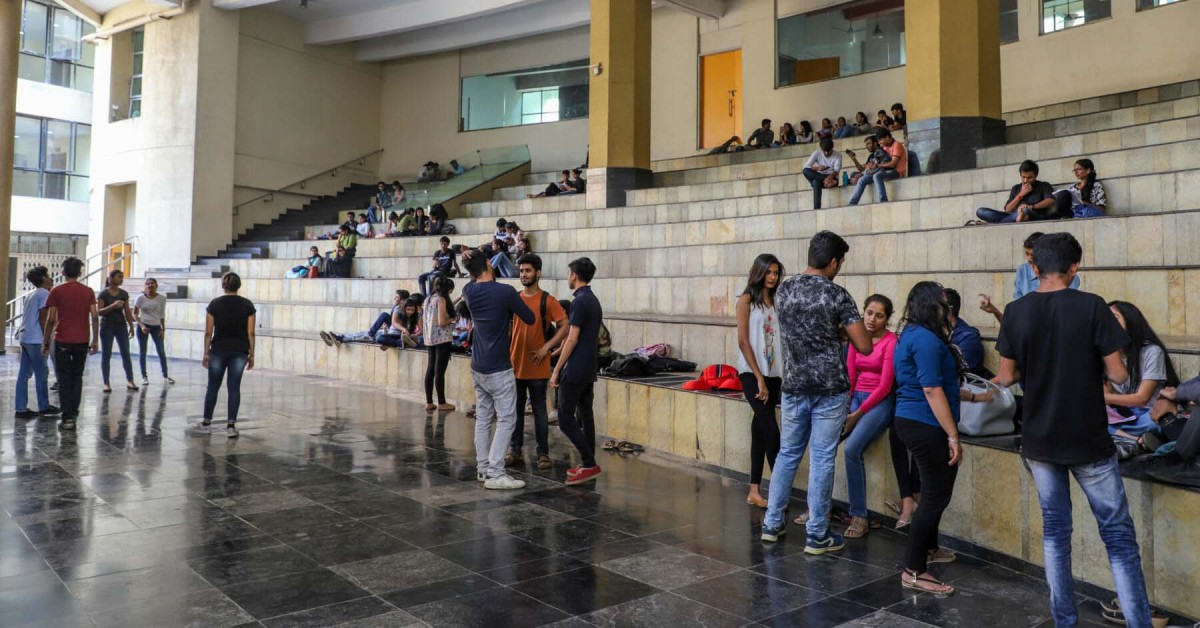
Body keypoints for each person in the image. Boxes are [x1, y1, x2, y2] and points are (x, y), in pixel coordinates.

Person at [993, 233, 1152, 627]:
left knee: (1055, 533)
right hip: (1088, 440)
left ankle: (1064, 621)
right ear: (1075, 267)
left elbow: (1005, 376)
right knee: (1117, 536)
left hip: (1039, 439)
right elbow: (1118, 374)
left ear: (1034, 267)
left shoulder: (1015, 311)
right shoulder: (1092, 306)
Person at [760, 231, 873, 553]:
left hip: (794, 385)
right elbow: (863, 345)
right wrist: (841, 332)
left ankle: (771, 523)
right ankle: (817, 534)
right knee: (823, 457)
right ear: (834, 262)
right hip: (829, 388)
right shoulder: (837, 295)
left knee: (788, 454)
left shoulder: (784, 290)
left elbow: (800, 330)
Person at [893, 281, 979, 595]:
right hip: (925, 422)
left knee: (933, 492)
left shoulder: (911, 334)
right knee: (934, 496)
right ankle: (914, 570)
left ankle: (928, 549)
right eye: (943, 303)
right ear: (931, 305)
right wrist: (953, 436)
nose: (948, 309)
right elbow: (931, 389)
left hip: (914, 420)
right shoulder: (927, 340)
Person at [461, 248, 535, 490]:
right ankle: (495, 472)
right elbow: (530, 318)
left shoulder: (468, 290)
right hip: (499, 367)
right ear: (490, 266)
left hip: (478, 365)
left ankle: (483, 468)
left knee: (483, 417)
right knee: (506, 418)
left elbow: (476, 278)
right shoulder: (505, 292)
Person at [840, 294, 898, 539]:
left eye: (879, 315)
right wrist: (846, 407)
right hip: (856, 398)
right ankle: (817, 508)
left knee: (851, 449)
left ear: (887, 319)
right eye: (869, 313)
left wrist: (857, 415)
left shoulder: (891, 341)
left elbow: (885, 385)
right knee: (824, 442)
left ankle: (859, 515)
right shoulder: (857, 337)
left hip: (880, 402)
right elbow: (851, 376)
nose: (872, 319)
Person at [506, 254, 570, 470]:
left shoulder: (547, 300)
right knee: (515, 411)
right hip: (515, 364)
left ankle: (543, 453)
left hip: (538, 367)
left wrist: (546, 347)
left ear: (538, 273)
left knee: (540, 411)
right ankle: (515, 451)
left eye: (528, 271)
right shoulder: (514, 298)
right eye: (522, 271)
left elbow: (565, 326)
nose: (524, 274)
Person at [735, 254, 785, 508]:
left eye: (776, 273)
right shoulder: (746, 300)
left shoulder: (777, 301)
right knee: (771, 429)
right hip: (751, 373)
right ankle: (779, 491)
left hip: (774, 372)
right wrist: (758, 378)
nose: (773, 277)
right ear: (759, 272)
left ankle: (754, 490)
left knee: (759, 430)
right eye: (769, 273)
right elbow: (743, 341)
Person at [550, 257, 604, 485]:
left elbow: (571, 339)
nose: (568, 277)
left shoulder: (580, 302)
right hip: (589, 364)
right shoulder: (592, 299)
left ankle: (589, 464)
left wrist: (556, 370)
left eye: (569, 273)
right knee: (585, 414)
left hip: (577, 366)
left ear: (574, 275)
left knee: (565, 418)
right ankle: (588, 462)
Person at [1105, 301, 1179, 442]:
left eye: (1114, 318)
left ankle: (1125, 438)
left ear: (1130, 321)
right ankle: (1136, 440)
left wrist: (1100, 398)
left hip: (1147, 414)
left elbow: (1141, 399)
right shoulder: (1107, 354)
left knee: (1157, 422)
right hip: (1121, 415)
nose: (1109, 324)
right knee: (1087, 417)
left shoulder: (1151, 351)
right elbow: (1106, 393)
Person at [42, 257, 99, 432]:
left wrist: (46, 341)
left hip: (63, 340)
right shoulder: (88, 291)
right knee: (77, 377)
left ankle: (67, 417)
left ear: (63, 272)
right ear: (80, 273)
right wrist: (95, 339)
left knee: (64, 379)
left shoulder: (56, 291)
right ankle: (73, 413)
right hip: (82, 340)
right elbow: (95, 316)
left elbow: (51, 319)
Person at [979, 232, 1082, 324]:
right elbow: (1017, 314)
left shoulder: (1066, 275)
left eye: (1032, 254)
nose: (1029, 259)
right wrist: (995, 311)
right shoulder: (1023, 270)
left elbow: (1064, 310)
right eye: (1026, 254)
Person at [200, 272, 256, 438]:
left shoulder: (215, 304)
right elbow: (251, 332)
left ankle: (206, 422)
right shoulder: (247, 305)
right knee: (234, 388)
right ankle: (231, 425)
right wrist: (252, 354)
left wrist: (205, 353)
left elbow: (208, 331)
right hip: (240, 350)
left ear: (223, 285)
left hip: (218, 349)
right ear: (239, 285)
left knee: (213, 387)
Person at [15, 266, 58, 419]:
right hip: (35, 339)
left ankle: (20, 407)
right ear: (43, 278)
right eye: (47, 275)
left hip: (25, 337)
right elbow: (44, 318)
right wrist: (46, 341)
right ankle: (44, 406)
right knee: (42, 373)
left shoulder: (31, 294)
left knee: (24, 374)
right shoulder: (45, 294)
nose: (49, 277)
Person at [975, 160, 1057, 224]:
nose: (1026, 180)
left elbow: (1051, 200)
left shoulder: (1043, 185)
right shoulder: (1016, 188)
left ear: (1036, 175)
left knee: (1024, 211)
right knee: (981, 211)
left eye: (1030, 178)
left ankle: (994, 223)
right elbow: (1008, 209)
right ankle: (1014, 219)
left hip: (1033, 214)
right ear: (1020, 175)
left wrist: (1031, 207)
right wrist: (1020, 195)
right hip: (1013, 216)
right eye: (1023, 177)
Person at [320, 290, 411, 345]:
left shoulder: (403, 309)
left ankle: (340, 338)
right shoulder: (396, 308)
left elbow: (398, 323)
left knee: (364, 335)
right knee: (360, 333)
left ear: (402, 300)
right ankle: (339, 337)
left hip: (395, 333)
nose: (394, 298)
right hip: (390, 330)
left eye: (397, 297)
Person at [97, 269, 137, 393]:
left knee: (126, 353)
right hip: (107, 326)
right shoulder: (103, 294)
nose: (121, 279)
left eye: (122, 277)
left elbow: (127, 311)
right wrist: (113, 305)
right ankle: (106, 383)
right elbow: (99, 311)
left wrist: (131, 325)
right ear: (111, 278)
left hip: (120, 326)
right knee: (106, 354)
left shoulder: (124, 294)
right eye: (119, 277)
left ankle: (130, 380)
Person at [423, 278, 456, 412]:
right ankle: (442, 402)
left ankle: (429, 402)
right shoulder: (441, 300)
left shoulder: (428, 299)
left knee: (430, 369)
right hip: (442, 339)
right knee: (439, 371)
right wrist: (453, 319)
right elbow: (443, 322)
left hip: (430, 338)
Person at [848, 130, 905, 206]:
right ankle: (853, 203)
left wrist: (875, 166)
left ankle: (883, 201)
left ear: (887, 137)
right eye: (879, 141)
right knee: (862, 179)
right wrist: (867, 169)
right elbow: (877, 165)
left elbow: (893, 164)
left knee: (877, 176)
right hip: (883, 171)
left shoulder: (897, 145)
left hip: (896, 171)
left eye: (881, 140)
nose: (880, 143)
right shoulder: (884, 147)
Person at [134, 278, 173, 386]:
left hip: (156, 326)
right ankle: (144, 376)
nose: (150, 285)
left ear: (156, 285)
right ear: (145, 286)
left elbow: (162, 314)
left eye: (152, 283)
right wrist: (141, 325)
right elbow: (135, 314)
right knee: (143, 351)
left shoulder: (161, 298)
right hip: (144, 325)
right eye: (148, 284)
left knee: (161, 351)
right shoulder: (140, 298)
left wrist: (163, 329)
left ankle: (165, 375)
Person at [944, 288, 988, 377]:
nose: (929, 311)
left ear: (947, 309)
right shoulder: (934, 332)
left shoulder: (968, 338)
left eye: (934, 307)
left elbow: (961, 374)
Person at [802, 137, 842, 210]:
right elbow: (806, 167)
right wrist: (817, 168)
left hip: (832, 177)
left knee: (815, 182)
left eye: (828, 151)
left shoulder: (838, 155)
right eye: (824, 151)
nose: (826, 153)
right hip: (820, 176)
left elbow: (836, 170)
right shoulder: (817, 153)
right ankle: (817, 209)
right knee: (805, 171)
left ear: (832, 149)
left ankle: (816, 209)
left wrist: (829, 178)